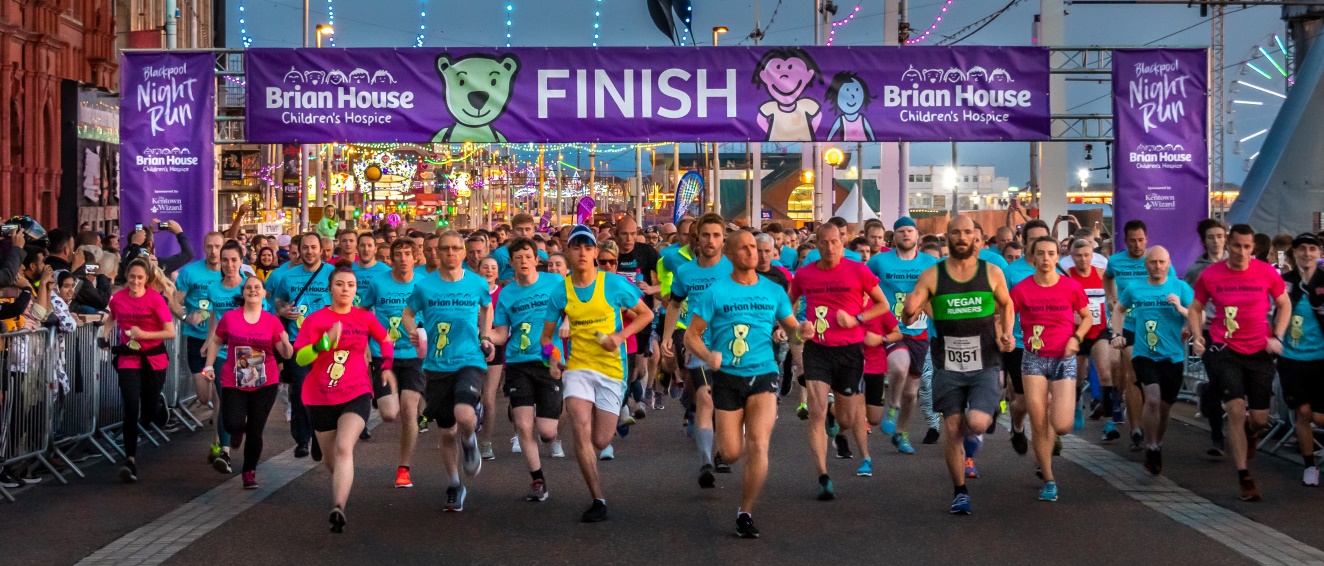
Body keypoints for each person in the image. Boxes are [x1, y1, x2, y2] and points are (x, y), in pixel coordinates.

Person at [685, 230, 799, 538]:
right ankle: (726, 452)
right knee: (733, 453)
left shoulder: (774, 291)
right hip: (727, 379)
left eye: (756, 247)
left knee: (759, 444)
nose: (753, 252)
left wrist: (805, 333)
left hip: (764, 372)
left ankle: (745, 512)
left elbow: (793, 331)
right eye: (745, 248)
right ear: (731, 255)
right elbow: (690, 335)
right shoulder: (716, 292)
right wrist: (708, 355)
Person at [903, 216, 1015, 515]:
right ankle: (960, 491)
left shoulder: (991, 272)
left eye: (968, 232)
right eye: (956, 233)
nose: (962, 237)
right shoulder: (932, 275)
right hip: (947, 363)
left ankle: (975, 434)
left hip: (985, 360)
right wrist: (910, 312)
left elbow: (1007, 303)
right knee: (952, 430)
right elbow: (912, 309)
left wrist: (1006, 332)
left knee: (977, 422)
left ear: (977, 238)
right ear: (947, 238)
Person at [542, 224, 652, 523]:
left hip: (611, 369)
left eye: (587, 247)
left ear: (595, 252)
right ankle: (597, 498)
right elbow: (546, 338)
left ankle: (604, 431)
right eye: (575, 247)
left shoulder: (613, 285)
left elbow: (646, 315)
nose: (581, 252)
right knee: (579, 424)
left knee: (601, 441)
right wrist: (552, 358)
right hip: (577, 368)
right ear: (568, 251)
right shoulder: (561, 290)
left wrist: (619, 337)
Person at [1187, 224, 1290, 502]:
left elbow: (1284, 303)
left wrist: (1278, 335)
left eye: (1247, 247)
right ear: (1228, 246)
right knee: (1234, 408)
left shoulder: (1266, 272)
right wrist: (1198, 335)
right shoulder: (1211, 274)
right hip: (1225, 349)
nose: (1242, 252)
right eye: (1237, 246)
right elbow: (1196, 308)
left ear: (1253, 248)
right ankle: (1244, 475)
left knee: (1257, 419)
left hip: (1259, 351)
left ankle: (1251, 431)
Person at [790, 223, 892, 497]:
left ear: (842, 242)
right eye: (824, 242)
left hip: (849, 350)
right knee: (817, 411)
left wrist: (857, 318)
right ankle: (823, 476)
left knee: (847, 416)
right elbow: (788, 304)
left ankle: (838, 427)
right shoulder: (805, 273)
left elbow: (883, 305)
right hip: (817, 349)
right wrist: (796, 328)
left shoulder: (857, 269)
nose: (830, 247)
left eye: (834, 242)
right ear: (817, 243)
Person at [294, 262, 394, 532]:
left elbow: (385, 339)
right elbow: (301, 356)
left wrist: (385, 365)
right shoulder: (316, 320)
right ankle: (342, 479)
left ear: (356, 289)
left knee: (343, 448)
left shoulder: (363, 317)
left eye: (351, 285)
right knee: (331, 460)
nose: (345, 289)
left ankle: (338, 506)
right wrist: (324, 343)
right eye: (340, 284)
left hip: (356, 391)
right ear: (330, 288)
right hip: (320, 396)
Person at [403, 231, 493, 512]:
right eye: (445, 249)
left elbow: (487, 307)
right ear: (437, 253)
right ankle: (454, 484)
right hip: (436, 364)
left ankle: (470, 441)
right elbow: (408, 313)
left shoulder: (477, 283)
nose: (451, 253)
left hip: (469, 359)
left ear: (463, 253)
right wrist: (413, 332)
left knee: (463, 414)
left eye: (456, 248)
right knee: (445, 432)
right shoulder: (425, 286)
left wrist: (485, 334)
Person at [1009, 237, 1091, 502]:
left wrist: (1076, 338)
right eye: (1041, 253)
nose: (1046, 258)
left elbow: (1087, 317)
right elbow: (1007, 313)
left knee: (1062, 425)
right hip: (1033, 358)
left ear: (1058, 257)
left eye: (1051, 254)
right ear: (1033, 257)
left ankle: (1049, 443)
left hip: (1063, 358)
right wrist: (1005, 333)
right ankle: (1048, 478)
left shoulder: (1071, 287)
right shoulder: (1021, 289)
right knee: (1039, 420)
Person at [492, 238, 566, 502]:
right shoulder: (507, 294)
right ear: (510, 263)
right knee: (524, 427)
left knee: (546, 431)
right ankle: (538, 480)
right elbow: (501, 332)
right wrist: (485, 337)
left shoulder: (555, 283)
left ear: (537, 260)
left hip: (548, 358)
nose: (523, 262)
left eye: (528, 257)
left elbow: (572, 308)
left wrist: (566, 322)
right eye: (518, 258)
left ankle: (551, 430)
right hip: (517, 362)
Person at [203, 276, 293, 489]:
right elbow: (216, 340)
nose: (253, 291)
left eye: (257, 288)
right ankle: (236, 432)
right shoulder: (231, 318)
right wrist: (208, 365)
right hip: (235, 377)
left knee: (255, 429)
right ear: (243, 293)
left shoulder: (271, 320)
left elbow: (285, 352)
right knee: (232, 422)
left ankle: (249, 472)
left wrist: (287, 346)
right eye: (249, 288)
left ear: (263, 294)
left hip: (265, 379)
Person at [664, 214, 733, 488]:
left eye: (716, 235)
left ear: (724, 240)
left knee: (727, 405)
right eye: (705, 235)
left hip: (730, 345)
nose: (711, 241)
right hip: (697, 342)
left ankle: (722, 450)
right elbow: (674, 303)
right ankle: (705, 461)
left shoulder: (733, 269)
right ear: (697, 239)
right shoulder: (686, 272)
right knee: (705, 397)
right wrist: (667, 337)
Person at [1112, 246, 1192, 477]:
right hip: (1144, 354)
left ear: (1169, 263)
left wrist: (1181, 309)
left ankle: (1156, 442)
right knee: (1153, 399)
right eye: (1153, 262)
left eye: (1162, 262)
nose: (1158, 266)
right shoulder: (1136, 287)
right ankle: (1151, 446)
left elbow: (1199, 314)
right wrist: (1118, 334)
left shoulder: (1179, 287)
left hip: (1173, 356)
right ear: (1146, 264)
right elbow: (1119, 309)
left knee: (1165, 408)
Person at [100, 258, 178, 483]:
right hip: (129, 357)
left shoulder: (155, 299)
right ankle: (130, 461)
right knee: (131, 407)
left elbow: (170, 332)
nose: (135, 281)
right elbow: (111, 320)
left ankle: (158, 407)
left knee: (148, 413)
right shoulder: (119, 299)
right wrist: (102, 337)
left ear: (147, 279)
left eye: (140, 278)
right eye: (132, 276)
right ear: (127, 276)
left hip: (154, 359)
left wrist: (144, 335)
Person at [866, 216, 939, 451]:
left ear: (917, 235)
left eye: (910, 231)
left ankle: (902, 432)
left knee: (912, 392)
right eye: (901, 232)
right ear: (894, 236)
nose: (906, 235)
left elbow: (937, 293)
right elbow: (864, 287)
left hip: (919, 331)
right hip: (891, 328)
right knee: (898, 365)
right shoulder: (879, 262)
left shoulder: (929, 262)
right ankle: (892, 405)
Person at [1105, 220, 1176, 452]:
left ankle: (1147, 417)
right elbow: (1107, 277)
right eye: (1132, 241)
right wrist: (1111, 296)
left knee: (1152, 380)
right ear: (1125, 242)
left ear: (1146, 239)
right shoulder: (1115, 261)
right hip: (1129, 324)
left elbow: (1173, 289)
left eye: (1141, 240)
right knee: (1134, 371)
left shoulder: (1157, 261)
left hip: (1155, 327)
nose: (1137, 244)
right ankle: (1135, 428)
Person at [361, 239, 424, 489]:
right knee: (388, 414)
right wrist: (364, 343)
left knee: (409, 412)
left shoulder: (423, 283)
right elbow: (363, 312)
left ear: (415, 257)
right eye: (398, 254)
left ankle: (404, 468)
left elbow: (434, 314)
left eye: (408, 254)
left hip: (414, 357)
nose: (403, 259)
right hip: (383, 354)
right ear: (391, 258)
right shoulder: (378, 282)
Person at [271, 233, 331, 460]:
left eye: (313, 247)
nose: (309, 252)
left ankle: (319, 436)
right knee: (302, 390)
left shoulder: (331, 274)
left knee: (324, 391)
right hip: (298, 343)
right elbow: (278, 301)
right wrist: (282, 310)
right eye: (305, 248)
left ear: (321, 249)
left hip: (325, 343)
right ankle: (302, 439)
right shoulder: (288, 277)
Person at [174, 232, 225, 464]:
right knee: (205, 397)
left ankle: (218, 444)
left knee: (220, 394)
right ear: (203, 247)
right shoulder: (190, 272)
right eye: (209, 247)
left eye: (217, 247)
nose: (213, 252)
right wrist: (186, 317)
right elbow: (174, 301)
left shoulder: (231, 273)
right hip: (197, 339)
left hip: (223, 342)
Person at [198, 241, 249, 473]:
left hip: (249, 353)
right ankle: (224, 453)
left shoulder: (250, 287)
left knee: (245, 403)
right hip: (222, 353)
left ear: (241, 261)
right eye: (225, 260)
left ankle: (239, 427)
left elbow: (262, 316)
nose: (229, 265)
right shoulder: (214, 289)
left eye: (234, 260)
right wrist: (209, 341)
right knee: (225, 399)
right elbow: (214, 318)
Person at [1278, 233, 1324, 487]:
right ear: (1293, 253)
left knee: (1319, 416)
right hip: (1291, 358)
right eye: (1302, 249)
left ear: (1319, 253)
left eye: (1312, 248)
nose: (1307, 253)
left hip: (1320, 359)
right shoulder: (1284, 282)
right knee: (1303, 412)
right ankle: (1309, 466)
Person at [1002, 220, 1049, 460]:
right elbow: (1003, 307)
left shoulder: (1056, 269)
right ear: (1025, 242)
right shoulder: (1012, 271)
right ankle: (1018, 426)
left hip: (1052, 344)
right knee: (1022, 401)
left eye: (1044, 239)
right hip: (1020, 342)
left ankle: (1045, 458)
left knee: (1046, 400)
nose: (1039, 245)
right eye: (1033, 240)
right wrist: (1005, 333)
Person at [1065, 239, 1120, 442]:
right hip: (1077, 335)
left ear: (1092, 255)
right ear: (1072, 257)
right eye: (1078, 255)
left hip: (1098, 332)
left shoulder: (1100, 274)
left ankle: (1109, 422)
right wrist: (1072, 315)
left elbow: (1113, 298)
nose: (1083, 259)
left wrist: (1115, 306)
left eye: (1086, 255)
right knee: (1079, 377)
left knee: (1105, 373)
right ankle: (1078, 406)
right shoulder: (1067, 277)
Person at [1184, 218, 1229, 455]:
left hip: (1236, 330)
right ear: (1204, 241)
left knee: (1223, 384)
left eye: (1220, 236)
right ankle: (1217, 437)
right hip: (1210, 330)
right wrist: (1192, 329)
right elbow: (1193, 303)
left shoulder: (1237, 263)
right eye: (1211, 237)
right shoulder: (1197, 270)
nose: (1216, 241)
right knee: (1218, 378)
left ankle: (1206, 391)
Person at [478, 256, 504, 460]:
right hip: (470, 348)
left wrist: (491, 342)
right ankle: (467, 435)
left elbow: (504, 327)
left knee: (488, 399)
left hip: (496, 348)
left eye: (493, 268)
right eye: (485, 267)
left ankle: (486, 442)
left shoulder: (502, 295)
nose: (489, 271)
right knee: (469, 398)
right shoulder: (470, 291)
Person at [491, 213, 549, 284]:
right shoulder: (499, 254)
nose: (524, 233)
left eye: (527, 229)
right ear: (512, 232)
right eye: (519, 229)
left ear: (533, 231)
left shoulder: (542, 256)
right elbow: (492, 280)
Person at [351, 232, 390, 309]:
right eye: (362, 245)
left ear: (375, 249)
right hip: (352, 316)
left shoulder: (386, 271)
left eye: (369, 245)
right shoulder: (348, 270)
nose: (366, 249)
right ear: (357, 248)